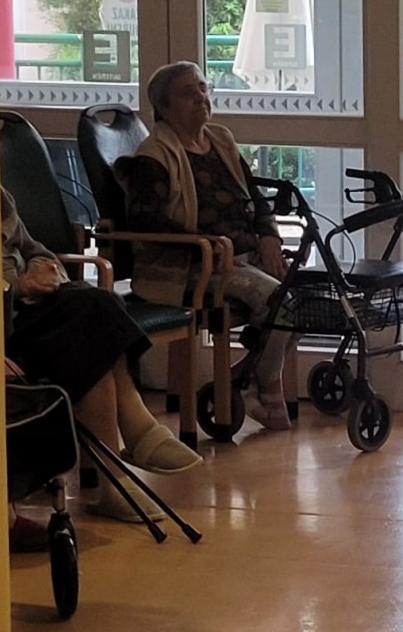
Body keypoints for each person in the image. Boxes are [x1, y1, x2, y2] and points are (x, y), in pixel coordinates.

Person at [2, 186, 201, 525]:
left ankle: (120, 473)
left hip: (29, 307)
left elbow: (37, 250)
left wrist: (41, 270)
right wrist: (21, 286)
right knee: (91, 315)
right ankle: (135, 439)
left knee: (96, 314)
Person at [122, 60, 298, 430]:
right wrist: (206, 245)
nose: (201, 98)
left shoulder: (220, 140)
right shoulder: (153, 156)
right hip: (191, 267)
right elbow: (143, 221)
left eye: (203, 88)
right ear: (163, 106)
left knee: (307, 295)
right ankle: (266, 386)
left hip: (242, 255)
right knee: (278, 300)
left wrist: (269, 235)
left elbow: (254, 196)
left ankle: (242, 378)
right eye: (189, 93)